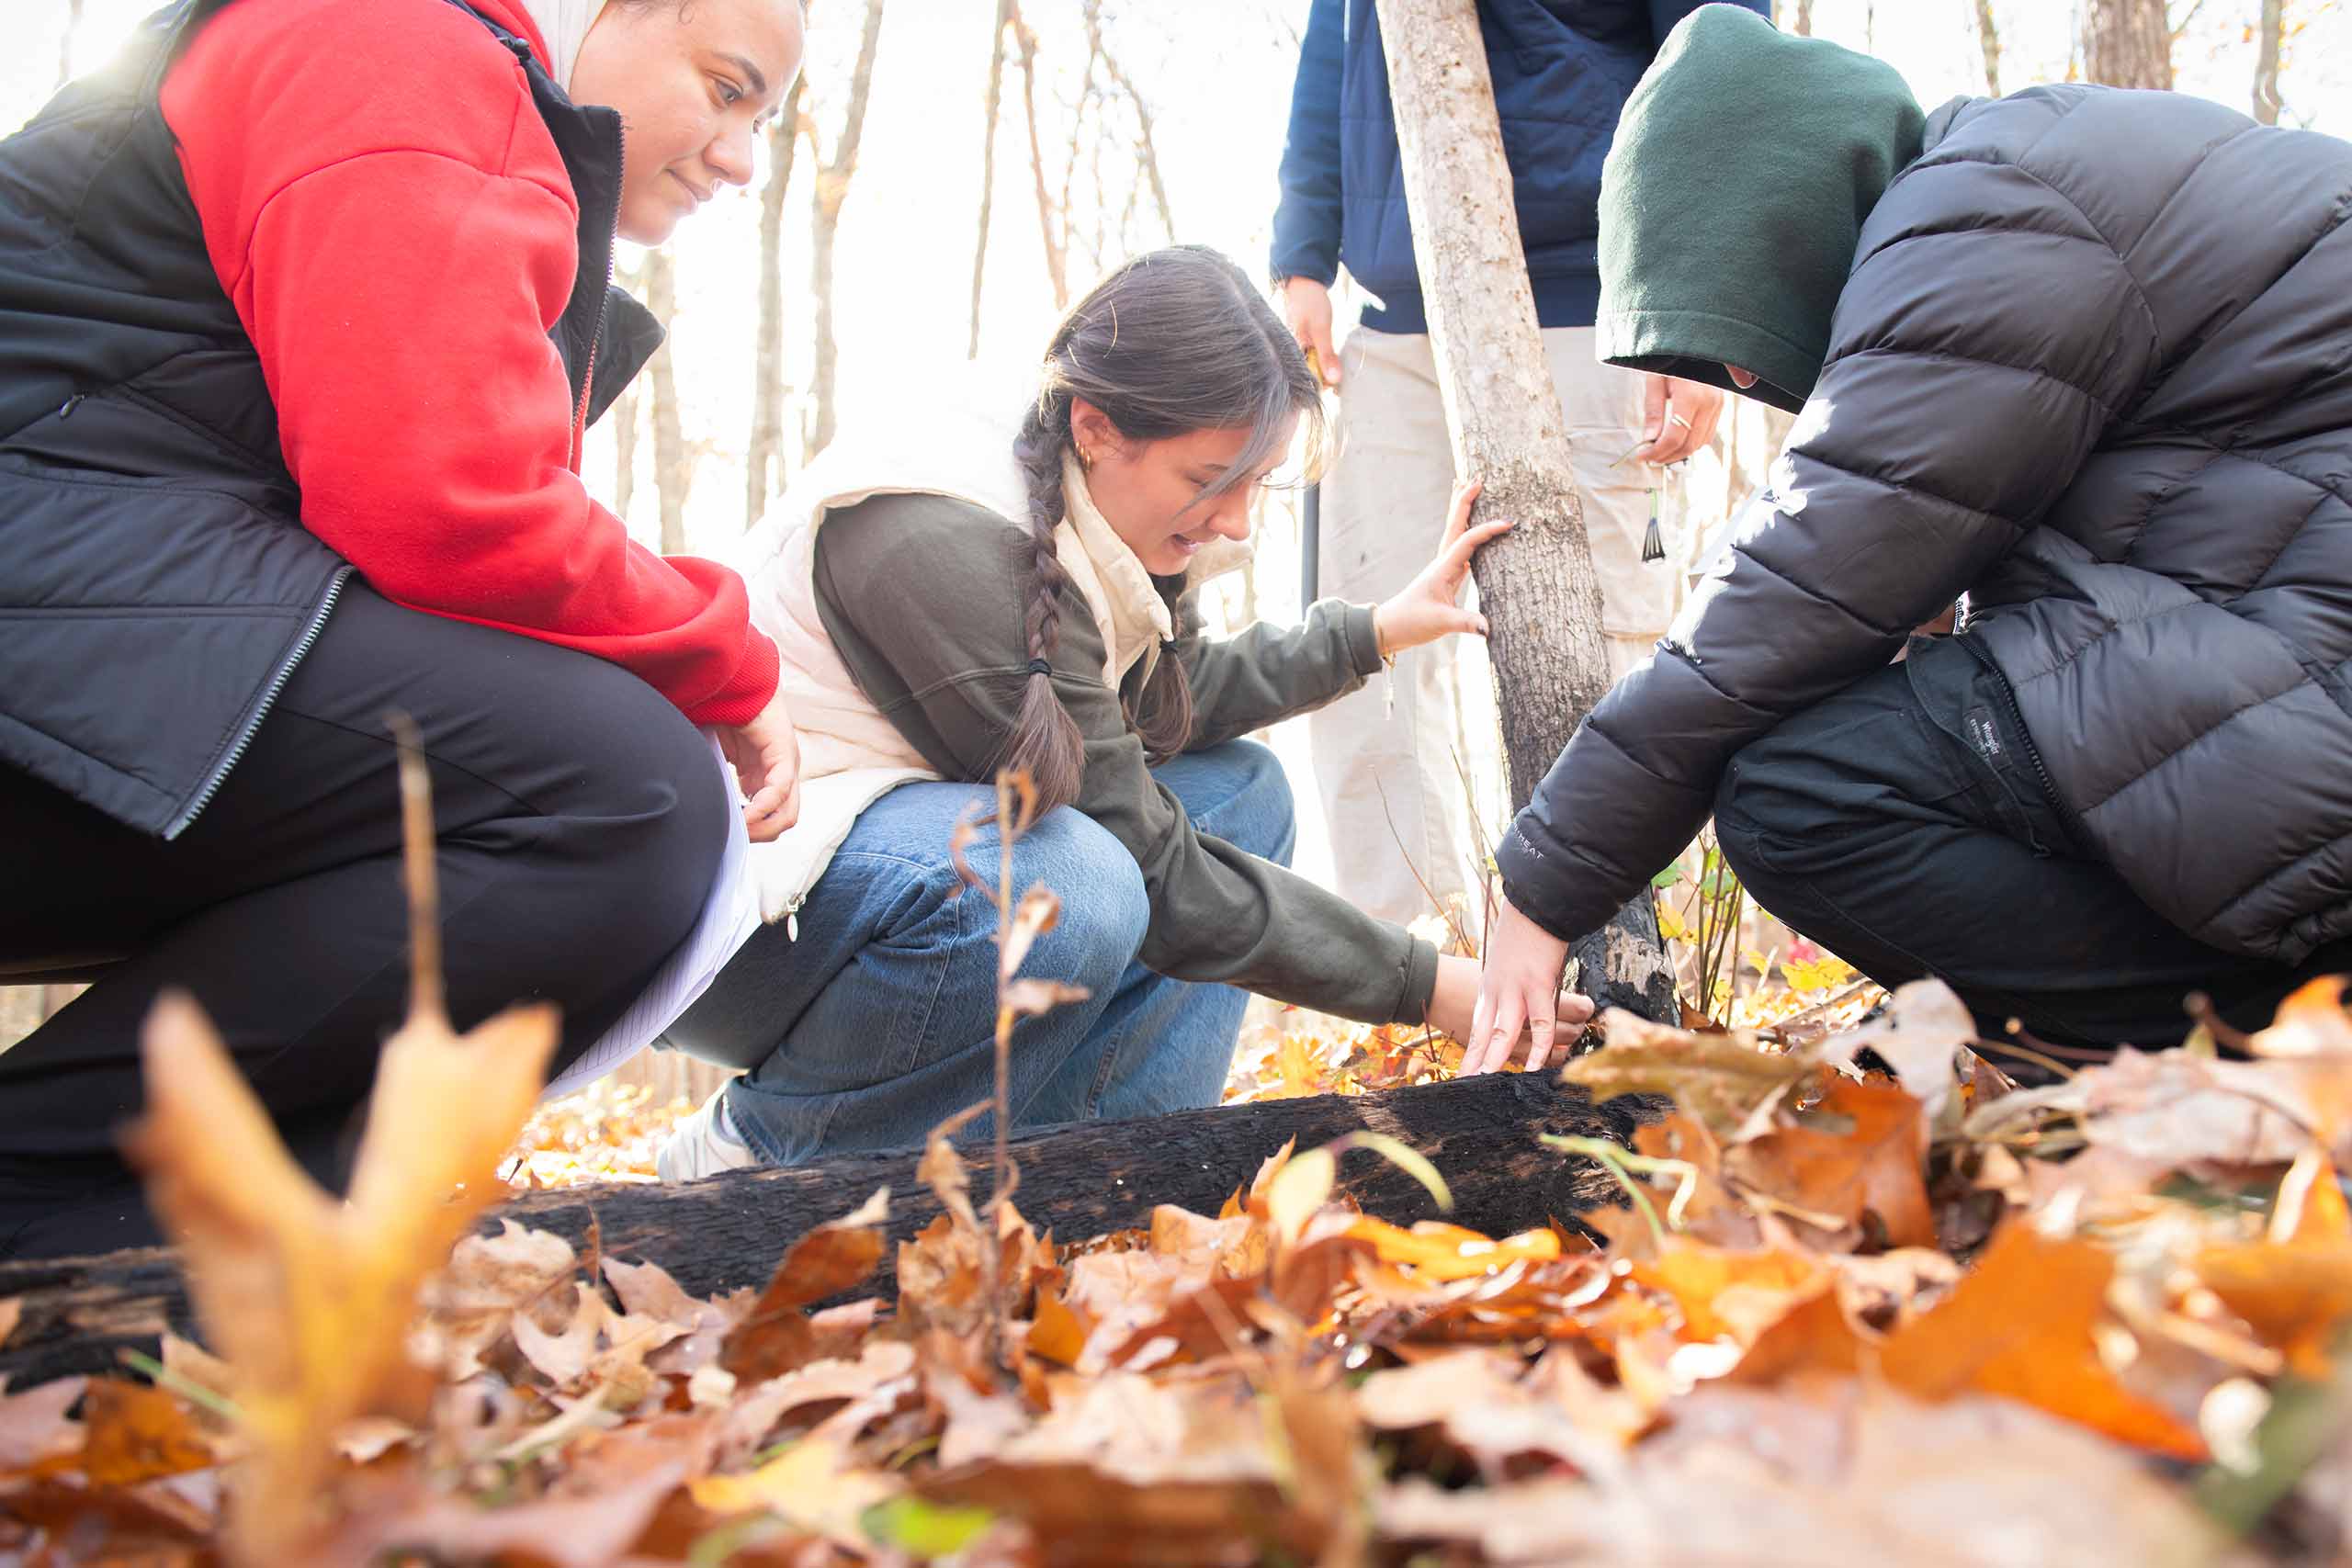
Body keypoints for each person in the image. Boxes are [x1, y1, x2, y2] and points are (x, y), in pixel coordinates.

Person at [0, 0, 805, 1258]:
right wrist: (721, 656)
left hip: (72, 613)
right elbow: (446, 497)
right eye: (725, 85)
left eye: (764, 116)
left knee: (569, 763)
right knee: (612, 795)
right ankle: (63, 1212)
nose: (742, 154)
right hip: (47, 604)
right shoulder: (397, 43)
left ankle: (232, 1232)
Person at [1467, 6, 2352, 1077]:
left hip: (2314, 674)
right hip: (2299, 630)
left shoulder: (1983, 215)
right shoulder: (2041, 163)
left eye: (1735, 345)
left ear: (1781, 221)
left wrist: (1542, 880)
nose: (1750, 385)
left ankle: (2255, 1034)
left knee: (1802, 794)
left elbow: (1801, 579)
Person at [655, 246, 1590, 1179]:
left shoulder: (1090, 503)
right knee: (1073, 881)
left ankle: (1100, 1179)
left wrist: (1373, 632)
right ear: (1099, 429)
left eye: (1255, 482)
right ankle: (759, 1155)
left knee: (1243, 793)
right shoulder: (945, 537)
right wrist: (1431, 986)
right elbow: (1152, 866)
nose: (1236, 522)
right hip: (745, 920)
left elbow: (1158, 712)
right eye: (1211, 479)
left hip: (879, 868)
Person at [1269, 0, 1759, 933]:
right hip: (1395, 307)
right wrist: (1300, 252)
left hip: (1592, 292)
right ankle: (1411, 963)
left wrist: (1700, 299)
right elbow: (1334, 40)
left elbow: (1718, 49)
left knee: (1614, 630)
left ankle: (1629, 952)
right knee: (1359, 639)